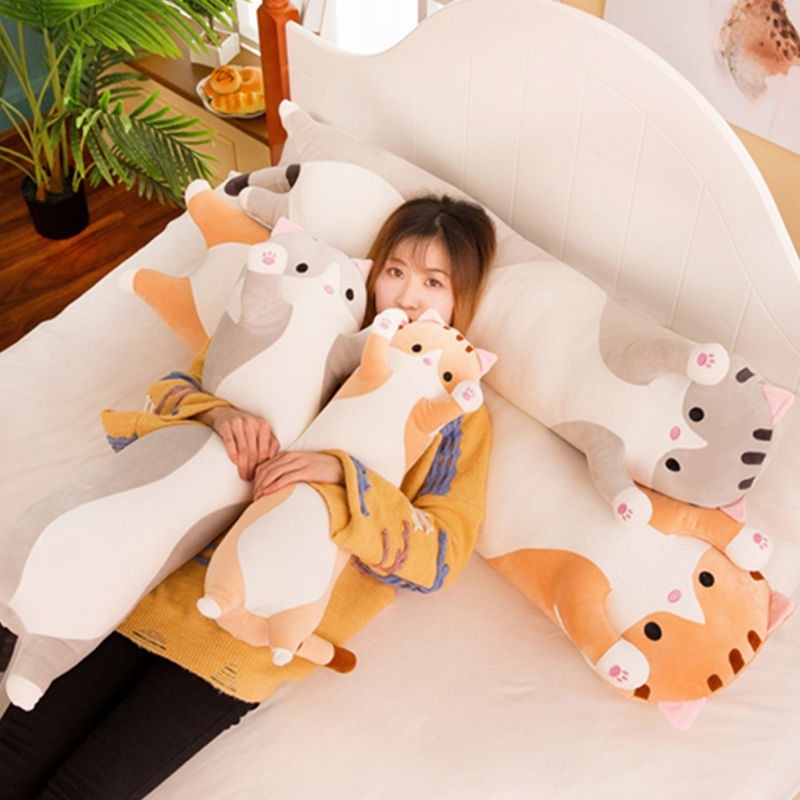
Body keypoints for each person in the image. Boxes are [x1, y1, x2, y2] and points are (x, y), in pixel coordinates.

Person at [0, 194, 497, 800]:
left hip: (244, 638)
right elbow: (165, 397)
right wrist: (220, 414)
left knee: (85, 790)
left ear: (462, 300)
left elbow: (440, 555)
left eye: (434, 282)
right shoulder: (312, 322)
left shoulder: (453, 409)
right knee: (14, 753)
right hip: (151, 582)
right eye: (396, 271)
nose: (408, 297)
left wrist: (342, 477)